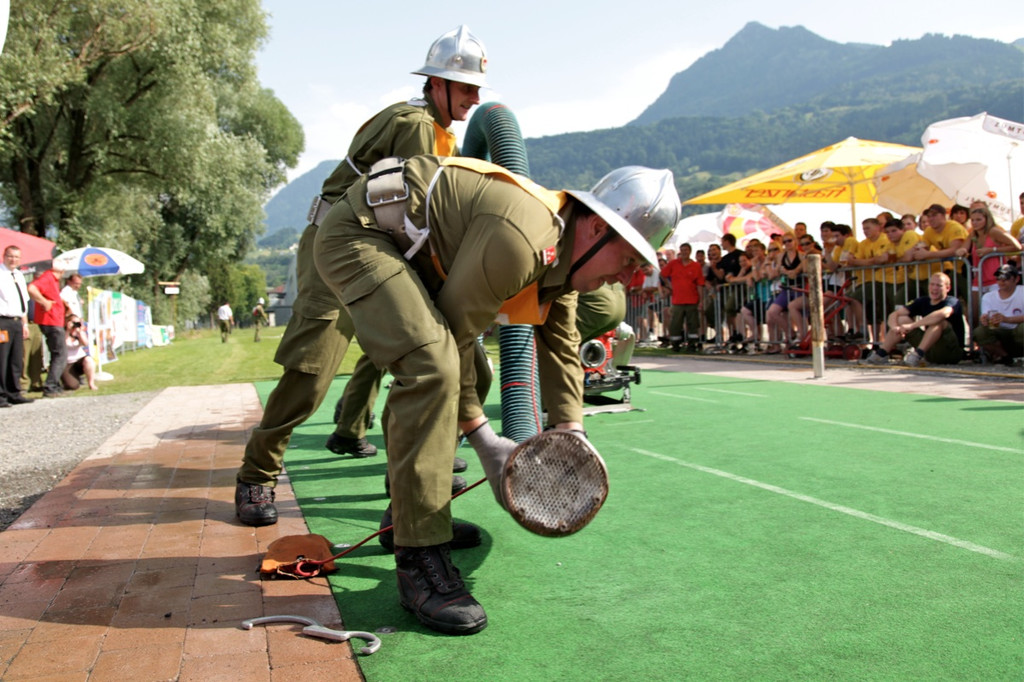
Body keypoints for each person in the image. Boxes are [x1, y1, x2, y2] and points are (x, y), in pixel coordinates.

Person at [314, 156, 680, 635]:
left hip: (406, 246)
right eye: (629, 260)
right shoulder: (522, 239)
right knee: (432, 369)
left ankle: (408, 514)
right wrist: (486, 441)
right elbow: (453, 340)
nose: (627, 279)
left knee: (473, 378)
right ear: (595, 228)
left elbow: (562, 345)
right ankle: (419, 560)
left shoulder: (566, 248)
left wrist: (571, 433)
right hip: (359, 235)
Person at [234, 25, 489, 528]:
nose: (475, 98)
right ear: (436, 84)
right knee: (312, 372)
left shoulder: (441, 132)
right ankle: (256, 474)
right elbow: (422, 214)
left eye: (478, 88)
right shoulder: (416, 126)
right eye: (465, 87)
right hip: (338, 247)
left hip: (384, 247)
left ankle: (414, 475)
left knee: (443, 360)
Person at [861, 273, 965, 367]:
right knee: (902, 319)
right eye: (932, 284)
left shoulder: (952, 301)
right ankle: (881, 354)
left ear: (948, 288)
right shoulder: (923, 301)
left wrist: (912, 326)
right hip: (930, 351)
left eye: (939, 285)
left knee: (938, 322)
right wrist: (895, 327)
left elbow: (942, 314)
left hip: (951, 352)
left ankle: (917, 355)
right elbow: (895, 314)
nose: (934, 288)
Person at [0, 246, 34, 407]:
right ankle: (1, 395)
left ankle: (14, 392)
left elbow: (23, 303)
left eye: (16, 257)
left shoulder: (19, 275)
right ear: (4, 256)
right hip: (2, 321)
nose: (13, 260)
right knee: (2, 358)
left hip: (17, 321)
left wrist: (24, 323)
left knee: (16, 358)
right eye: (10, 256)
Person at [972, 264, 1023, 365]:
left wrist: (1007, 319)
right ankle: (1005, 357)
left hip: (1018, 331)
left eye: (1006, 277)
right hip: (1001, 333)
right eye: (998, 278)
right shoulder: (988, 297)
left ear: (1017, 279)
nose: (1001, 281)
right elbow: (987, 318)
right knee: (980, 332)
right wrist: (985, 320)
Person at [27, 265, 66, 397]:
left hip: (53, 320)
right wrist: (44, 302)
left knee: (57, 354)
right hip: (51, 321)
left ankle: (55, 385)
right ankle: (50, 386)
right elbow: (32, 288)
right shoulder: (48, 277)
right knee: (60, 355)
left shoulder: (54, 280)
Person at [660, 243, 704, 351]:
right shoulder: (673, 263)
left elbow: (700, 284)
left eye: (686, 250)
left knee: (693, 323)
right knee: (676, 323)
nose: (684, 252)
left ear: (690, 251)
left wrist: (701, 300)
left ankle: (692, 344)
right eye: (682, 250)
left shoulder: (696, 266)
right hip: (677, 300)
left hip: (692, 299)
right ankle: (675, 344)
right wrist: (669, 285)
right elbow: (662, 274)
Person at [61, 312, 97, 390]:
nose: (75, 324)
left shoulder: (79, 332)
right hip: (67, 362)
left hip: (79, 359)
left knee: (89, 360)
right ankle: (71, 379)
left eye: (77, 322)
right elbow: (63, 344)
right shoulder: (63, 333)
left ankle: (91, 383)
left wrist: (80, 331)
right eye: (73, 322)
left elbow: (85, 343)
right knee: (72, 386)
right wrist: (68, 330)